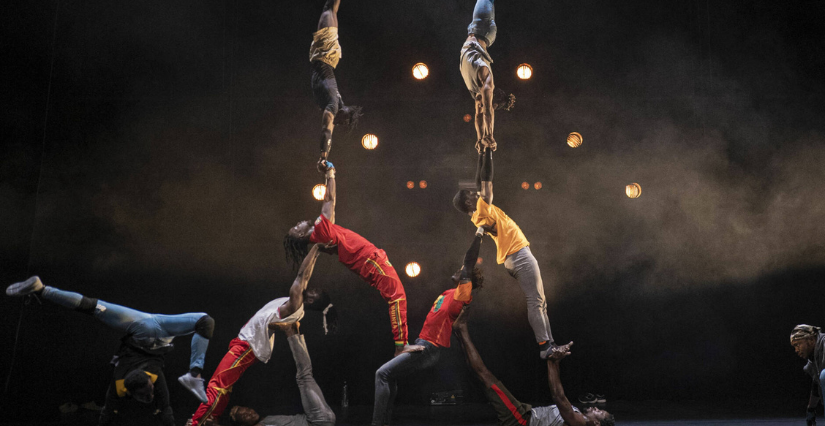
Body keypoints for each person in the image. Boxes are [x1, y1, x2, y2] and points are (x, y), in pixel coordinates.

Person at [5, 276, 215, 425]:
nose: (150, 395)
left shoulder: (130, 382)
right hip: (151, 326)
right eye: (150, 392)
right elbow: (165, 409)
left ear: (132, 391)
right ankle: (43, 289)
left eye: (145, 394)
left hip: (146, 330)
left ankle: (41, 289)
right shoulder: (129, 381)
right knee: (93, 307)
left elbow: (108, 412)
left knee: (94, 307)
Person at [189, 245, 335, 426]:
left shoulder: (296, 304)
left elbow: (302, 275)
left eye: (315, 291)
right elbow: (304, 277)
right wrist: (317, 252)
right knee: (224, 386)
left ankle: (197, 422)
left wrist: (317, 248)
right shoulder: (295, 305)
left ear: (311, 300)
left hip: (248, 345)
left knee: (217, 384)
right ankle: (213, 419)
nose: (311, 286)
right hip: (247, 343)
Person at [284, 161, 417, 357]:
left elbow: (330, 206)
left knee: (397, 297)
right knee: (397, 298)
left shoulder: (322, 231)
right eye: (296, 229)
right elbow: (330, 200)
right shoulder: (320, 233)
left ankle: (401, 344)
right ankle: (400, 346)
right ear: (303, 237)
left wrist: (329, 174)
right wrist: (330, 172)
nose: (297, 223)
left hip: (371, 260)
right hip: (370, 261)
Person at [371, 231, 485, 426]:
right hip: (422, 345)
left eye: (462, 272)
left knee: (382, 374)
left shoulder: (462, 294)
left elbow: (468, 261)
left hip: (429, 349)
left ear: (467, 280)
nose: (458, 271)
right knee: (390, 377)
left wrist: (479, 235)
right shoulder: (449, 292)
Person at [452, 147, 557, 359]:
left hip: (516, 255)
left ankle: (551, 344)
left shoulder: (480, 211)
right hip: (518, 255)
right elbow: (486, 179)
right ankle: (545, 347)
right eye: (472, 194)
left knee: (540, 301)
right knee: (535, 301)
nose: (476, 191)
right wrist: (489, 152)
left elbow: (479, 180)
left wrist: (482, 152)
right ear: (469, 202)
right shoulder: (481, 208)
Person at [453, 308, 614, 426]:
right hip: (524, 413)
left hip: (519, 420)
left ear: (596, 424)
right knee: (481, 376)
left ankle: (462, 328)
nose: (595, 407)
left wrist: (551, 362)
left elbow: (558, 396)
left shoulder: (579, 423)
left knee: (485, 376)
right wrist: (555, 360)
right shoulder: (578, 418)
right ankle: (460, 331)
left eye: (599, 412)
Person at [223, 321, 336, 426]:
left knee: (305, 375)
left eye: (247, 410)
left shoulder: (266, 418)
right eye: (244, 416)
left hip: (316, 418)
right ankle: (291, 332)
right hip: (319, 420)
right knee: (304, 376)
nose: (250, 413)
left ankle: (293, 331)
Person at [310, 0, 362, 167]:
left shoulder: (333, 106)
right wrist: (323, 156)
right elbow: (327, 130)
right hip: (326, 54)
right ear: (344, 113)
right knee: (330, 9)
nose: (338, 124)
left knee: (330, 9)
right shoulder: (333, 106)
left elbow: (328, 132)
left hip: (324, 57)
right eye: (343, 121)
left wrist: (324, 156)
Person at [460, 0, 515, 153]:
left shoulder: (477, 96)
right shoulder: (487, 82)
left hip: (476, 32)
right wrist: (489, 136)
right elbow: (488, 112)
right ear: (492, 100)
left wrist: (480, 138)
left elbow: (478, 116)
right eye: (492, 105)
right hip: (483, 29)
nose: (485, 107)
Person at [791, 324, 825, 426]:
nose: (796, 350)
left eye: (798, 344)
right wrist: (810, 409)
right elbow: (816, 384)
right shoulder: (814, 358)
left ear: (810, 340)